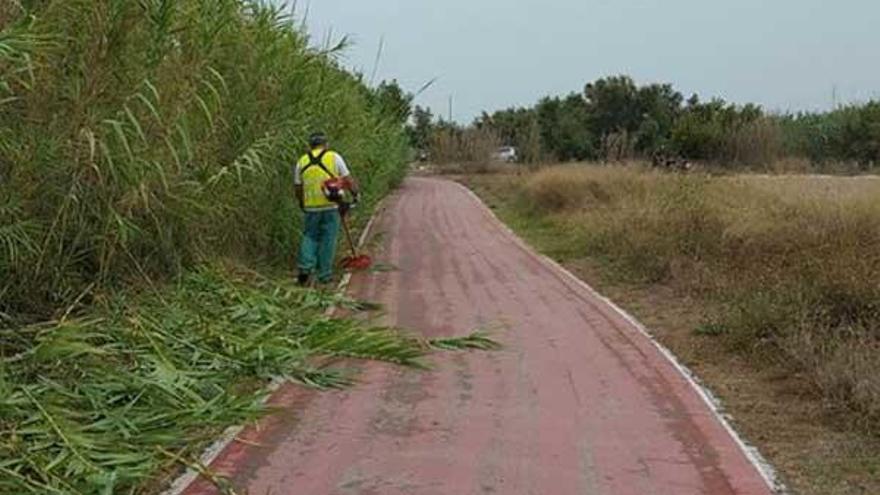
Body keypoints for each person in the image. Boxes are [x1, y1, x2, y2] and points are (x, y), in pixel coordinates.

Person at [293, 132, 358, 286]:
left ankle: (305, 268)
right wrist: (355, 194)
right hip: (330, 207)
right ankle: (324, 276)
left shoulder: (301, 161)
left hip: (310, 207)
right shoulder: (334, 157)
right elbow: (347, 179)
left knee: (309, 237)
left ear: (310, 145)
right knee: (328, 240)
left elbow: (297, 186)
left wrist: (302, 202)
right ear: (326, 144)